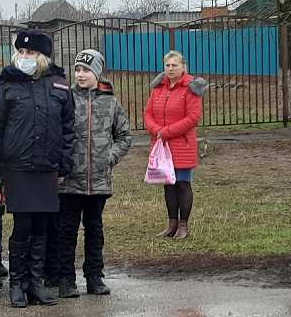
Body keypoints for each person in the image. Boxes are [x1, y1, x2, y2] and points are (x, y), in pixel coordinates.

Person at [0, 30, 74, 308]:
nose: (25, 57)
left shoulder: (59, 85)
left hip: (47, 168)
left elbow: (68, 129)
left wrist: (64, 165)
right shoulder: (6, 85)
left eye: (30, 53)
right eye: (21, 52)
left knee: (42, 226)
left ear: (43, 56)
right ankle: (17, 284)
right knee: (23, 226)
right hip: (18, 167)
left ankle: (36, 283)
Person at [58, 49, 132, 297]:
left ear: (97, 73)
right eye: (77, 69)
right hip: (70, 180)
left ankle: (94, 277)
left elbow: (124, 136)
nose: (80, 74)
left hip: (98, 180)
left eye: (86, 70)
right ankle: (66, 279)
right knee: (67, 231)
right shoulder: (66, 99)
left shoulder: (110, 102)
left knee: (94, 229)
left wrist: (110, 157)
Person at [143, 51, 207, 240]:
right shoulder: (158, 87)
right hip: (162, 145)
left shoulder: (191, 88)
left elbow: (193, 117)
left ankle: (183, 225)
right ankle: (171, 224)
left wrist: (167, 132)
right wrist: (157, 130)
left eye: (174, 65)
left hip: (181, 144)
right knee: (168, 186)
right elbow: (148, 114)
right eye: (167, 65)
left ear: (183, 67)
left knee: (182, 184)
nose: (170, 69)